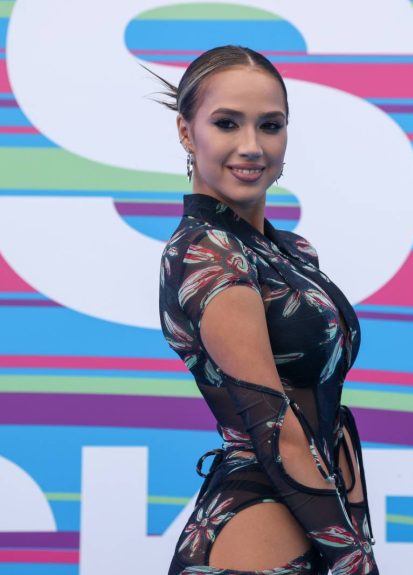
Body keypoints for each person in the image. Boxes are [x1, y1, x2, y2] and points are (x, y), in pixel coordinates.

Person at [156, 45, 379, 575]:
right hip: (256, 533)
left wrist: (354, 534)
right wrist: (354, 559)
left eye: (270, 125)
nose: (252, 146)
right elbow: (276, 427)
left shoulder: (291, 252)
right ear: (186, 132)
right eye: (227, 123)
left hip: (316, 518)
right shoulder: (207, 254)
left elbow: (327, 416)